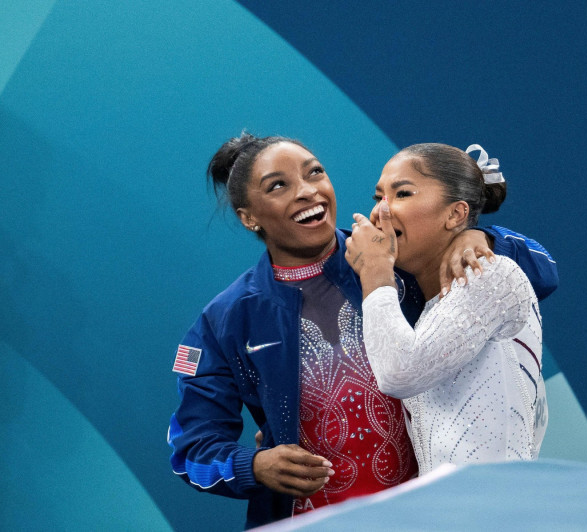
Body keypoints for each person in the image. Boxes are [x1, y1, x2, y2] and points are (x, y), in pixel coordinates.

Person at [168, 134, 557, 528]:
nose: (307, 191)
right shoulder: (226, 320)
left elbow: (540, 273)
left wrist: (482, 238)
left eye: (314, 172)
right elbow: (191, 449)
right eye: (279, 185)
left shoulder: (394, 257)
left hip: (424, 517)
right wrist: (254, 465)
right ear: (248, 216)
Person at [345, 143, 547, 475]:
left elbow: (399, 373)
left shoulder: (491, 276)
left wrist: (375, 270)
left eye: (403, 194)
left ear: (455, 214)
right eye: (377, 197)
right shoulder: (431, 311)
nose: (380, 212)